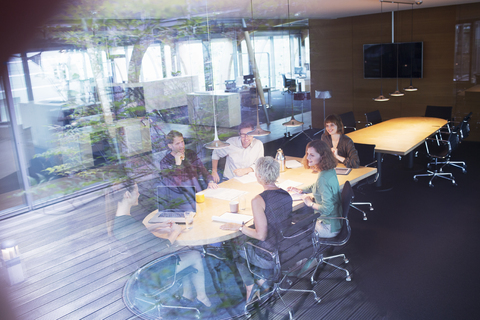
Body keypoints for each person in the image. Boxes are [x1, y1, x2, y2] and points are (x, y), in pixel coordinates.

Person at [105, 183, 212, 309]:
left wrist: (155, 226)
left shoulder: (119, 220)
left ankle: (187, 295)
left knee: (184, 254)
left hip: (142, 266)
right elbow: (164, 247)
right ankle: (202, 297)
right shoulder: (131, 225)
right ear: (127, 195)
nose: (139, 194)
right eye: (136, 191)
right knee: (194, 254)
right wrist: (175, 231)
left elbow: (136, 234)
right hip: (153, 271)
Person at [220, 157, 292, 303]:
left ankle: (252, 285)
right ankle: (261, 282)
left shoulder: (258, 200)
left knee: (234, 244)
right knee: (245, 238)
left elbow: (261, 235)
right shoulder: (286, 194)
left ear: (258, 176)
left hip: (269, 256)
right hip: (286, 249)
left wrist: (241, 227)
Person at [288, 140, 342, 238]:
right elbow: (316, 186)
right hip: (335, 222)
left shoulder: (323, 178)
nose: (308, 158)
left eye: (312, 155)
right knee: (299, 217)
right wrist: (301, 190)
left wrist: (310, 203)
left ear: (322, 157)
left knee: (292, 225)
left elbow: (327, 209)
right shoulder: (329, 171)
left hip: (327, 228)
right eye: (307, 154)